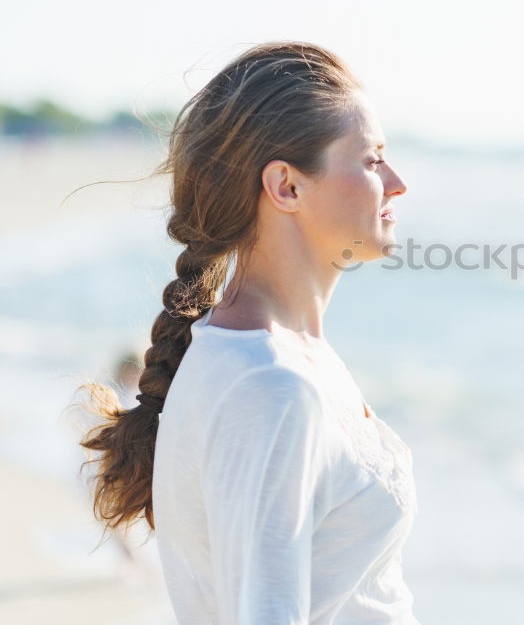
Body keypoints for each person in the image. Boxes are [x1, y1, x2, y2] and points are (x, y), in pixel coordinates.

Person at [78, 41, 418, 624]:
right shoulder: (270, 387)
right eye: (371, 159)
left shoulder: (281, 356)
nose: (396, 181)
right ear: (286, 186)